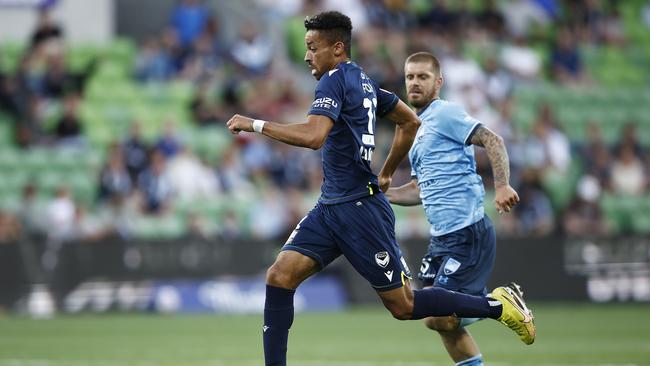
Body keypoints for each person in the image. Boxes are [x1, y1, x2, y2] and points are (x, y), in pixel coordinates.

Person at [226, 12, 534, 366]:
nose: (307, 55)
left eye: (313, 47)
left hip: (359, 211)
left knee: (404, 306)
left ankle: (497, 306)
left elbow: (313, 137)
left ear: (337, 48)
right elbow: (410, 121)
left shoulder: (334, 80)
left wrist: (256, 123)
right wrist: (386, 171)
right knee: (279, 275)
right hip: (331, 207)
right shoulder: (365, 81)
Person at [386, 52, 534, 366]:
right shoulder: (415, 129)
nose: (414, 82)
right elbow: (418, 190)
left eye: (422, 77)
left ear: (438, 82)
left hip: (467, 232)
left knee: (439, 311)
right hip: (441, 238)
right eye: (410, 76)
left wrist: (503, 185)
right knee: (436, 319)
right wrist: (382, 195)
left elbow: (493, 140)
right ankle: (493, 306)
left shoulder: (446, 113)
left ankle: (498, 304)